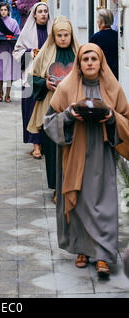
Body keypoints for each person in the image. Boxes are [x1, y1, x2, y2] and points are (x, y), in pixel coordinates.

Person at [44, 43, 129, 277]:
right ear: (79, 64)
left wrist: (112, 118)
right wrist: (69, 115)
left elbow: (126, 119)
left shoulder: (113, 88)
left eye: (94, 59)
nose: (90, 62)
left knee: (104, 202)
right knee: (79, 199)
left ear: (101, 62)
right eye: (85, 59)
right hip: (74, 155)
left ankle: (103, 254)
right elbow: (49, 122)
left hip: (102, 154)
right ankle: (81, 250)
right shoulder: (66, 88)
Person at [27, 16, 79, 202]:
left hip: (75, 110)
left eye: (66, 35)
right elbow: (30, 79)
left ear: (71, 36)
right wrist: (44, 83)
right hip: (52, 109)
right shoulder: (45, 53)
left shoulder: (79, 53)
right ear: (54, 37)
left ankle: (72, 186)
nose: (63, 38)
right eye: (59, 35)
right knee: (54, 150)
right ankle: (57, 188)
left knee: (74, 150)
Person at [13, 2, 52, 158]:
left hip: (49, 77)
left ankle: (46, 143)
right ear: (34, 15)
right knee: (31, 110)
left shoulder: (53, 32)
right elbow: (17, 52)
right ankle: (36, 145)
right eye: (40, 11)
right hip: (31, 78)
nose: (43, 14)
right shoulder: (26, 32)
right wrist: (30, 53)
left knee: (47, 110)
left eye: (45, 11)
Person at [0, 2, 21, 102]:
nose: (3, 12)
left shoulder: (13, 22)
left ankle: (8, 94)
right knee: (0, 71)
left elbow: (17, 35)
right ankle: (0, 92)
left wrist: (12, 41)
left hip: (10, 49)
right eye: (1, 10)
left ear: (8, 11)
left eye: (5, 10)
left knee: (9, 71)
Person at [90, 8, 118, 79]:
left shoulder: (95, 37)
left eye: (98, 19)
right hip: (115, 73)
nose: (97, 21)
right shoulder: (117, 36)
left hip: (101, 73)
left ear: (101, 21)